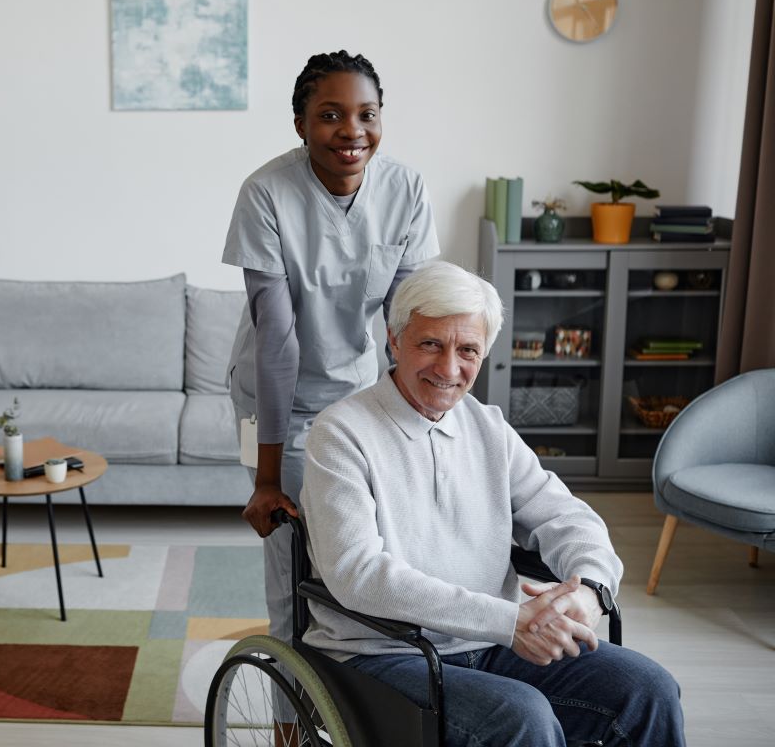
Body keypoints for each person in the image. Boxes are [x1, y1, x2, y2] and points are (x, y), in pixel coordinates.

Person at [300, 261, 685, 746]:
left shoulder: (488, 428)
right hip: (383, 653)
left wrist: (589, 591)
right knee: (523, 716)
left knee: (648, 690)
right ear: (394, 340)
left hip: (492, 643)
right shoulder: (341, 432)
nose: (448, 368)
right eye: (430, 344)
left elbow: (567, 518)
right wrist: (509, 620)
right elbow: (358, 574)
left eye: (467, 350)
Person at [220, 49, 439, 647]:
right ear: (301, 124)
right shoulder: (266, 193)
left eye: (367, 114)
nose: (352, 132)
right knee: (294, 567)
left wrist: (421, 422)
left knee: (368, 551)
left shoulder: (405, 188)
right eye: (331, 115)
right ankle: (289, 726)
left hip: (358, 393)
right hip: (274, 400)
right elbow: (277, 339)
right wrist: (266, 481)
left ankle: (358, 700)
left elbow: (410, 320)